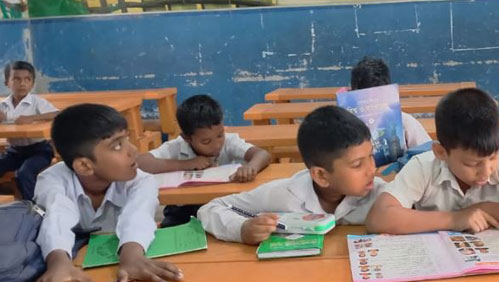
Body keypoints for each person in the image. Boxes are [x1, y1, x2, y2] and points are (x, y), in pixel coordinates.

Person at [366, 88, 499, 234]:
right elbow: (379, 218)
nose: (486, 171)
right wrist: (455, 219)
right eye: (472, 164)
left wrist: (482, 208)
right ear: (441, 152)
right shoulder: (423, 167)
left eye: (493, 157)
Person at [35, 104, 183, 282]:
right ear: (85, 165)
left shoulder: (142, 181)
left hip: (108, 264)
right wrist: (59, 263)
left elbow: (139, 217)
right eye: (118, 145)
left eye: (127, 138)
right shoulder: (52, 180)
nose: (133, 150)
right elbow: (57, 216)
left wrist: (132, 257)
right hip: (74, 262)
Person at [198, 106, 385, 245]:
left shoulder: (380, 194)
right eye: (357, 164)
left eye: (371, 156)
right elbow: (210, 208)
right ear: (321, 176)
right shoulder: (283, 195)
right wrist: (241, 229)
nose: (372, 169)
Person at [137, 94, 271, 227]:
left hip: (223, 203)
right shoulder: (177, 146)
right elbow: (141, 163)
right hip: (184, 208)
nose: (216, 145)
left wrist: (251, 167)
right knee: (174, 230)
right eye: (206, 141)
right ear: (187, 138)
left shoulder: (230, 142)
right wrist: (187, 164)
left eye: (220, 135)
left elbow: (262, 154)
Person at [0, 61, 58, 200]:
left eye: (27, 79)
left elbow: (57, 114)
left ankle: (33, 207)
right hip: (13, 151)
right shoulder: (3, 105)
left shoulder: (37, 102)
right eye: (16, 79)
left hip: (38, 151)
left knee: (24, 173)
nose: (22, 83)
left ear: (32, 83)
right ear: (7, 82)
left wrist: (32, 118)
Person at [350, 56, 431, 148]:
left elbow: (427, 152)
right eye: (365, 98)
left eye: (378, 96)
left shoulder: (405, 122)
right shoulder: (345, 127)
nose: (371, 105)